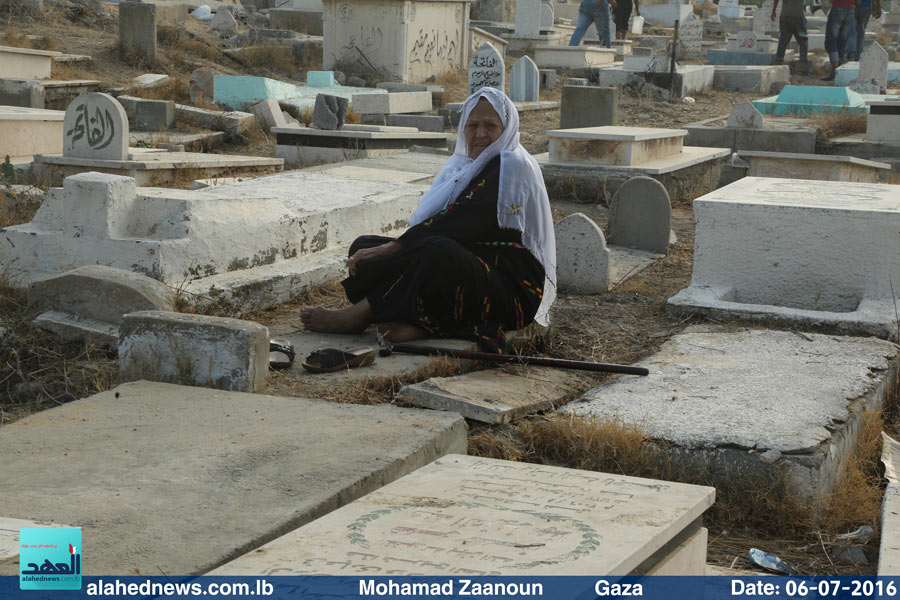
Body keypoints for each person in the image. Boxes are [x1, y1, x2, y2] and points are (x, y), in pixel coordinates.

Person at [300, 87, 557, 352]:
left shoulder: (513, 165)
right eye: (473, 125)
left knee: (434, 252)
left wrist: (394, 246)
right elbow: (443, 226)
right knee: (363, 246)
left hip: (511, 292)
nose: (480, 134)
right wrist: (390, 248)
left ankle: (357, 315)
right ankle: (419, 324)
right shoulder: (465, 166)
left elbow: (461, 221)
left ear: (507, 128)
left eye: (490, 125)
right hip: (472, 266)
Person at [822, 0, 857, 79]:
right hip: (851, 10)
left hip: (838, 8)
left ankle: (834, 70)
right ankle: (839, 70)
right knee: (842, 40)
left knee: (832, 40)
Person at [772, 0, 810, 74]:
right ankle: (803, 66)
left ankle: (778, 61)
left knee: (783, 40)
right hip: (798, 16)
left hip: (784, 16)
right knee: (803, 41)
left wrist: (773, 11)